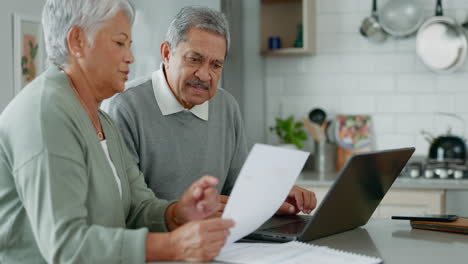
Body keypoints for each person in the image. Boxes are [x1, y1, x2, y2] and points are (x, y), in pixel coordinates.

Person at [0, 0, 234, 263]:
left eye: (129, 46)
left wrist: (179, 213)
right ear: (77, 41)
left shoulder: (101, 120)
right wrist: (172, 245)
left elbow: (137, 207)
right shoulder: (44, 113)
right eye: (120, 43)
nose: (130, 57)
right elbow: (67, 245)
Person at [103, 6, 317, 216]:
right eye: (194, 59)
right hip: (159, 246)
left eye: (216, 65)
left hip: (216, 240)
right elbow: (126, 206)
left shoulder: (226, 106)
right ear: (167, 53)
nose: (205, 75)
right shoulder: (124, 107)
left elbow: (237, 190)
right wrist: (189, 211)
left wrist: (274, 196)